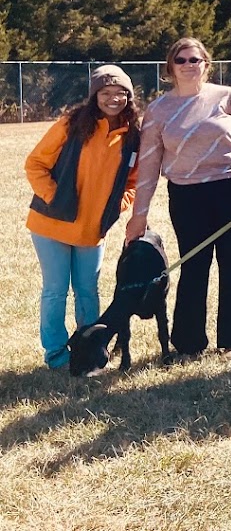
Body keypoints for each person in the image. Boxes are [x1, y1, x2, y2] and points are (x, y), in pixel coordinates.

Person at [125, 38, 231, 360]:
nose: (189, 65)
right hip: (186, 195)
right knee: (193, 264)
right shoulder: (159, 110)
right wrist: (139, 214)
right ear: (170, 67)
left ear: (206, 64)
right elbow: (148, 166)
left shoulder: (227, 97)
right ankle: (189, 343)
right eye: (182, 60)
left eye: (195, 60)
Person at [25, 65, 139, 369]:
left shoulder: (132, 136)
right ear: (94, 95)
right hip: (51, 225)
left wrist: (118, 205)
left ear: (129, 97)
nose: (113, 99)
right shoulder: (71, 124)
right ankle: (56, 354)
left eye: (120, 93)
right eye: (106, 93)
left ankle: (89, 348)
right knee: (55, 291)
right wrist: (55, 199)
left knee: (88, 291)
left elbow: (133, 182)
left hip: (92, 230)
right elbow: (35, 164)